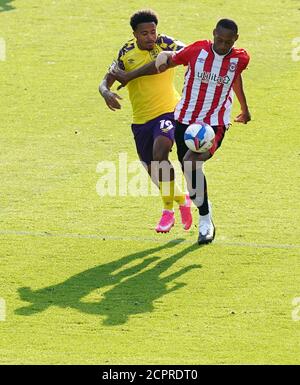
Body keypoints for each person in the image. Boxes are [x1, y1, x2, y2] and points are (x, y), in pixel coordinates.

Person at [110, 18, 251, 245]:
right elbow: (163, 62)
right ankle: (195, 204)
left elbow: (235, 78)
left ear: (236, 39)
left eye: (228, 42)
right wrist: (128, 76)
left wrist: (244, 108)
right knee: (187, 169)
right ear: (213, 33)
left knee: (190, 163)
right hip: (184, 120)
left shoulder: (240, 58)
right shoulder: (196, 51)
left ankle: (205, 220)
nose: (223, 45)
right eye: (219, 40)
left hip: (213, 124)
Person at [99, 9, 192, 234]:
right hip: (141, 119)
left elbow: (187, 51)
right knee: (154, 170)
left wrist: (180, 51)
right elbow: (107, 79)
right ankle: (183, 200)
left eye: (153, 31)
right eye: (145, 33)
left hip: (170, 111)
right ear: (135, 34)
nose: (151, 37)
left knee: (161, 153)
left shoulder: (166, 43)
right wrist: (105, 93)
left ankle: (167, 210)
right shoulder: (126, 52)